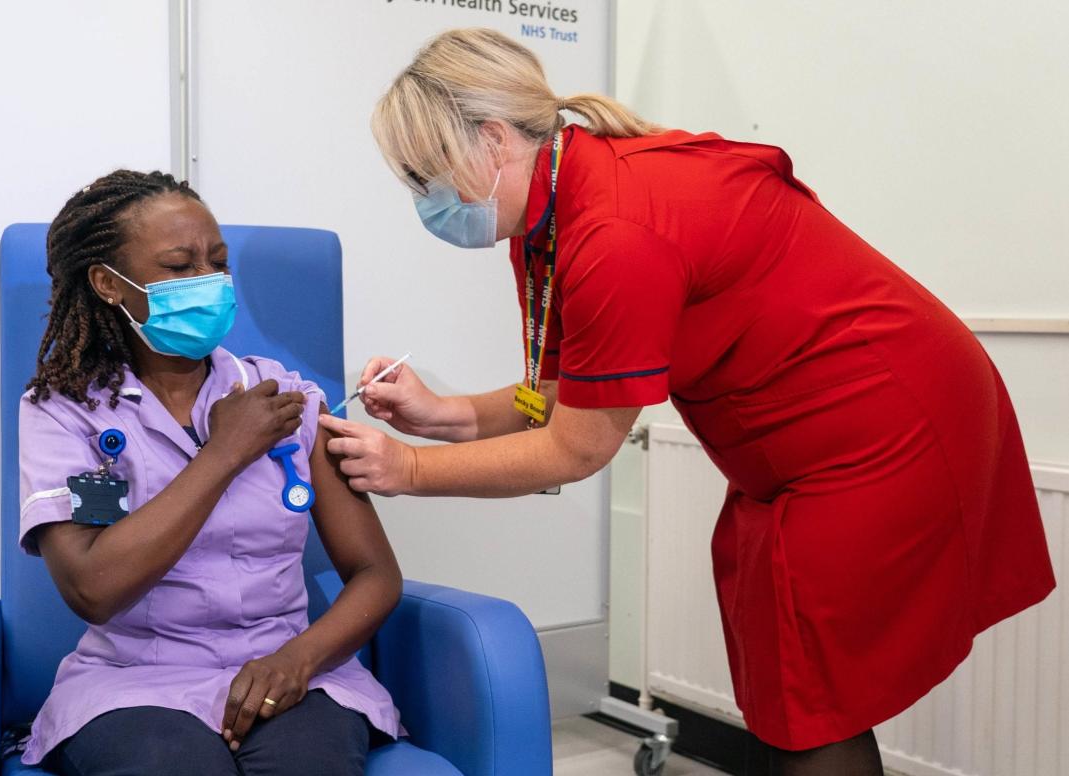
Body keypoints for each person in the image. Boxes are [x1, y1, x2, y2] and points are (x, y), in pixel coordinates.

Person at [319, 28, 1056, 775]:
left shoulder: (612, 230)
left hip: (882, 427)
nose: (424, 201)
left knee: (812, 697)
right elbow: (559, 396)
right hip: (798, 447)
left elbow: (577, 447)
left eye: (425, 176)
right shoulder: (548, 215)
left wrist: (408, 468)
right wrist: (440, 414)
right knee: (783, 676)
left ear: (493, 139)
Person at [16, 170, 401, 776]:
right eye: (178, 266)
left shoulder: (286, 399)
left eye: (217, 263)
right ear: (107, 284)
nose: (208, 282)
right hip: (134, 682)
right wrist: (224, 454)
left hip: (288, 670)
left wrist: (298, 659)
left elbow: (375, 574)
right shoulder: (69, 415)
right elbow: (93, 587)